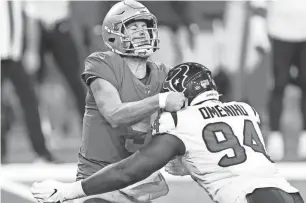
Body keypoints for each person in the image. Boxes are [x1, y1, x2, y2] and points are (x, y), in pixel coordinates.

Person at [31, 62, 305, 203]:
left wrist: (70, 190)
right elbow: (237, 156)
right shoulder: (245, 109)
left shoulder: (182, 122)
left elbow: (128, 171)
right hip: (291, 196)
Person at [32, 0, 185, 202]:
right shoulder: (102, 63)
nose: (142, 32)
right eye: (133, 27)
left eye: (145, 27)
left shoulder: (162, 74)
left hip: (139, 185)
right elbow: (114, 114)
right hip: (99, 185)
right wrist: (161, 99)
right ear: (114, 34)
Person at [1, 0, 56, 163]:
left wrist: (32, 50)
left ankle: (41, 151)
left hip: (15, 56)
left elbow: (31, 20)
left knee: (30, 103)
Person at [250, 0, 306, 161]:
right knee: (278, 85)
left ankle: (304, 137)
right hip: (280, 32)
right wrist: (258, 30)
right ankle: (275, 137)